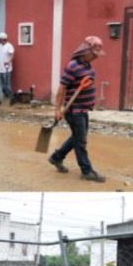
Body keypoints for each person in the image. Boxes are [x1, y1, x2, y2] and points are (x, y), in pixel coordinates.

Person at [48, 36, 106, 182]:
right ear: (86, 51)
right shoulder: (72, 66)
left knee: (77, 138)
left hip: (83, 110)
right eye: (94, 54)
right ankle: (87, 171)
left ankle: (56, 157)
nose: (96, 57)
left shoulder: (87, 65)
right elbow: (62, 88)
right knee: (80, 141)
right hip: (74, 111)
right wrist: (57, 109)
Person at [0, 32, 15, 100]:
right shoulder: (0, 46)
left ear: (3, 39)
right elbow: (0, 57)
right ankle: (6, 97)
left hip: (7, 69)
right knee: (2, 85)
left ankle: (11, 98)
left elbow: (12, 55)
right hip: (0, 69)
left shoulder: (9, 46)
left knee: (7, 84)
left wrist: (8, 62)